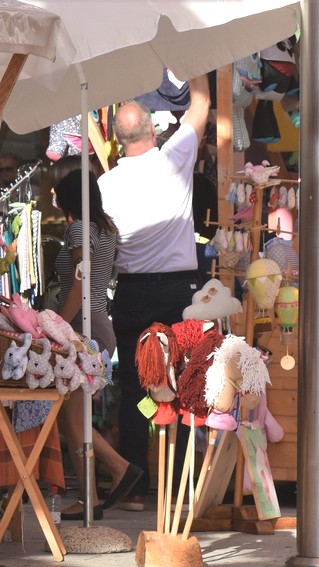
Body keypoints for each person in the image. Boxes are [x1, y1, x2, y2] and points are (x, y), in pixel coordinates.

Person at [99, 74, 210, 510]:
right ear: (153, 130)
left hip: (131, 293)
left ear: (116, 138)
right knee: (183, 383)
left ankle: (136, 488)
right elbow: (199, 106)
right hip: (178, 292)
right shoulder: (173, 158)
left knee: (136, 388)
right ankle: (178, 484)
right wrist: (198, 60)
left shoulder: (105, 186)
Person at [50, 167, 143, 519]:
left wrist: (57, 323)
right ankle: (90, 495)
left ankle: (119, 469)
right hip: (100, 323)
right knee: (75, 414)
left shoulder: (79, 228)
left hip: (81, 326)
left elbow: (78, 281)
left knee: (72, 417)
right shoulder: (106, 228)